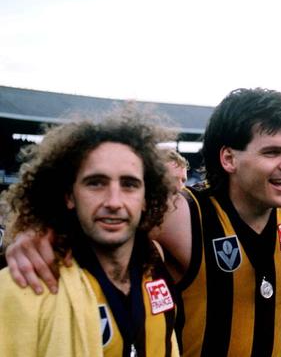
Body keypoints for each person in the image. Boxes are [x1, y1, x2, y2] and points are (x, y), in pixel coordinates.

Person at [4, 88, 281, 356]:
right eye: (273, 152)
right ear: (229, 158)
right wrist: (35, 229)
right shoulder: (184, 214)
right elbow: (107, 217)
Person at [0, 111, 179, 356]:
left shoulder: (155, 266)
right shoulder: (24, 282)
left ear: (146, 199)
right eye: (96, 183)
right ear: (69, 196)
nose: (114, 201)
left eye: (129, 184)